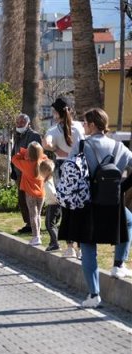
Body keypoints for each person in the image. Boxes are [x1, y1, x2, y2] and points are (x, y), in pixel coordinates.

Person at [60, 108, 132, 308]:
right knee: (129, 221)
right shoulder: (120, 147)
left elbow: (70, 171)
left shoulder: (82, 146)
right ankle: (118, 265)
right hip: (112, 204)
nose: (83, 126)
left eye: (85, 123)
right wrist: (120, 188)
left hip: (87, 203)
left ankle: (94, 295)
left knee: (88, 247)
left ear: (92, 125)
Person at [44, 98, 85, 258]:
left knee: (67, 208)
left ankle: (69, 247)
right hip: (80, 167)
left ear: (57, 113)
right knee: (80, 207)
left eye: (54, 112)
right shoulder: (81, 126)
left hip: (63, 168)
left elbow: (46, 143)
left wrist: (56, 150)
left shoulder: (54, 130)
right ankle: (81, 247)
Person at [11, 113, 43, 233]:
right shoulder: (18, 135)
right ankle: (28, 224)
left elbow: (35, 155)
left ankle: (32, 225)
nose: (19, 124)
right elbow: (15, 151)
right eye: (18, 122)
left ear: (28, 123)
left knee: (30, 201)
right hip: (20, 172)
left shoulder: (33, 136)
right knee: (22, 200)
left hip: (29, 173)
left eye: (22, 122)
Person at [12, 142, 48, 246]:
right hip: (41, 193)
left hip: (30, 193)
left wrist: (23, 152)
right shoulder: (43, 162)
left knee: (33, 215)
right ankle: (38, 235)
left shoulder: (25, 164)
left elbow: (14, 159)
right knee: (38, 215)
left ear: (29, 153)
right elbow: (44, 157)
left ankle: (36, 237)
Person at [39, 159, 61, 251]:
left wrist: (57, 201)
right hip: (55, 205)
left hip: (53, 205)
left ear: (46, 172)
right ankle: (53, 242)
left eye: (41, 172)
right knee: (52, 224)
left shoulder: (48, 183)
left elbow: (53, 194)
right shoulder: (51, 180)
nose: (40, 173)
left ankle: (55, 243)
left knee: (49, 225)